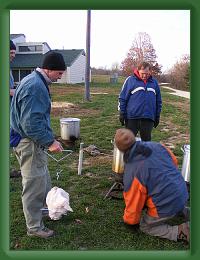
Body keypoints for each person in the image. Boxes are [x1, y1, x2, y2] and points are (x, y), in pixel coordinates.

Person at [10, 50, 66, 238]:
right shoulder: (35, 86)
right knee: (33, 185)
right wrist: (50, 141)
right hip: (29, 142)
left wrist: (50, 136)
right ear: (49, 69)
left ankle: (44, 210)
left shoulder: (34, 80)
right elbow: (30, 123)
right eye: (59, 73)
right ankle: (34, 228)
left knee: (43, 180)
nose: (60, 77)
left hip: (30, 140)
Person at [114, 128, 190, 243]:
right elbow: (174, 161)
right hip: (182, 191)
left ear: (120, 149)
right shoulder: (157, 146)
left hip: (165, 204)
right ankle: (186, 211)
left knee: (146, 226)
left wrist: (131, 223)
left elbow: (133, 203)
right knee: (173, 199)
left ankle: (181, 231)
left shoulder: (133, 171)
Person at [118, 61, 162, 141]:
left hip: (148, 118)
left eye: (147, 73)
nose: (145, 75)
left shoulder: (154, 83)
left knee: (146, 143)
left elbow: (158, 101)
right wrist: (122, 112)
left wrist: (157, 116)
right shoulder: (130, 80)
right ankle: (128, 154)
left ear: (150, 72)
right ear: (138, 70)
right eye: (142, 73)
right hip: (132, 117)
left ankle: (144, 153)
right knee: (128, 142)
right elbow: (123, 98)